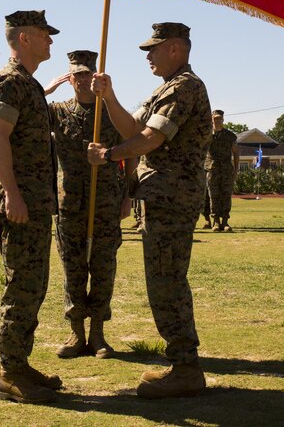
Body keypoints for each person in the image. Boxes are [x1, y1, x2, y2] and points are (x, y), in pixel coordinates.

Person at [88, 22, 212, 399]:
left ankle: (185, 367)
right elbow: (132, 128)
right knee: (163, 279)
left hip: (173, 198)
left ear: (175, 48)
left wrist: (109, 155)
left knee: (167, 281)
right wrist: (109, 97)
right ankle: (182, 363)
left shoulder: (185, 87)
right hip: (162, 198)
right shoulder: (166, 89)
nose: (147, 56)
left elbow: (150, 139)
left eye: (153, 49)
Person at [0, 10, 63, 404]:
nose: (51, 40)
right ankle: (9, 373)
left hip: (33, 202)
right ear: (25, 38)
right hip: (20, 203)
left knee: (34, 287)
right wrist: (12, 194)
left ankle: (20, 363)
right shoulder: (8, 82)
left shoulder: (28, 85)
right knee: (23, 286)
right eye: (44, 34)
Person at [45, 50, 129, 360]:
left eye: (86, 74)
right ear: (69, 78)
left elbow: (131, 138)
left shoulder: (109, 111)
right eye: (75, 74)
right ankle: (76, 333)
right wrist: (48, 88)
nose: (81, 80)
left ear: (95, 75)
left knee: (103, 266)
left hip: (105, 200)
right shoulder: (58, 111)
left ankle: (98, 335)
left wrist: (128, 195)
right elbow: (24, 109)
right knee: (73, 268)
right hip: (70, 204)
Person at [205, 109, 239, 231]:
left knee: (226, 196)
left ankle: (225, 222)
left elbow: (236, 153)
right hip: (212, 170)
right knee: (213, 196)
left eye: (219, 119)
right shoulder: (207, 135)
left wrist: (235, 171)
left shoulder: (230, 136)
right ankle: (215, 222)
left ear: (223, 120)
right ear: (211, 120)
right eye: (215, 119)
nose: (217, 121)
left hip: (226, 170)